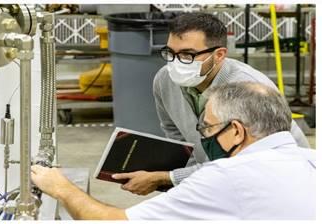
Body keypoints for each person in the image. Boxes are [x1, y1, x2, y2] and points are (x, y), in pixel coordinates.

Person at [31, 82, 315, 220]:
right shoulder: (312, 160)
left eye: (209, 128)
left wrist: (61, 188)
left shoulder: (228, 175)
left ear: (237, 131)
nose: (207, 137)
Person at [111, 12, 310, 195]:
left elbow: (244, 164)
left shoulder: (248, 90)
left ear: (219, 55)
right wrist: (180, 177)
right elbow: (176, 136)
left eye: (187, 55)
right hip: (220, 175)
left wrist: (167, 177)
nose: (176, 63)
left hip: (273, 179)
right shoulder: (164, 80)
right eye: (170, 53)